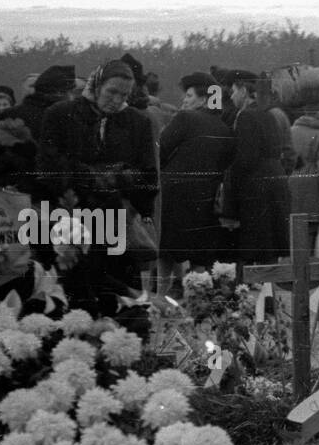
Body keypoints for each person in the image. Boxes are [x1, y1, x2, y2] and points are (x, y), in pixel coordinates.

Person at [37, 59, 158, 332]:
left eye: (124, 95)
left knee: (119, 308)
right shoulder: (61, 114)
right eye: (111, 92)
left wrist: (123, 181)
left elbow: (148, 174)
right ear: (96, 85)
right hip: (70, 222)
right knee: (77, 299)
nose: (116, 100)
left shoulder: (137, 122)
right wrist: (89, 176)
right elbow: (48, 167)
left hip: (116, 222)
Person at [158, 72, 235, 293]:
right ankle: (198, 302)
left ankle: (160, 300)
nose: (184, 100)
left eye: (189, 95)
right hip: (206, 198)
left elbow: (161, 150)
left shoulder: (184, 118)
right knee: (199, 256)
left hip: (174, 195)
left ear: (203, 100)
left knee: (167, 253)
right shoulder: (225, 130)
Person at [218, 69, 291, 268]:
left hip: (257, 188)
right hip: (274, 182)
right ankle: (268, 290)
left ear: (243, 89)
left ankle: (259, 291)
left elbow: (245, 158)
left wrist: (230, 181)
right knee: (269, 246)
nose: (231, 96)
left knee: (257, 243)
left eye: (233, 90)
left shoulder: (246, 117)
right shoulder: (267, 115)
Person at [289, 105, 319, 253]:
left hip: (289, 187)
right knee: (309, 236)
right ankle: (306, 274)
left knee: (291, 236)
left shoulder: (289, 131)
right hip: (311, 190)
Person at [1, 65, 75, 143]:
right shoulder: (55, 117)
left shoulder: (65, 115)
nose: (72, 96)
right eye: (70, 92)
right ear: (58, 93)